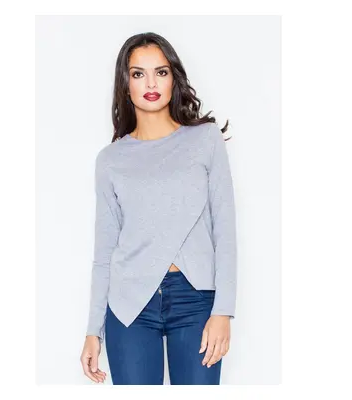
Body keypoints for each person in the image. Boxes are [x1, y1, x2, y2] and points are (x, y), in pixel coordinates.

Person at [80, 32, 237, 385]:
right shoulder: (110, 160)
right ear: (126, 84)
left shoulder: (206, 140)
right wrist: (93, 330)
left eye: (161, 72)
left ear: (173, 78)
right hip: (129, 306)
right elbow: (104, 252)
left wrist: (223, 310)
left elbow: (225, 230)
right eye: (139, 74)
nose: (151, 83)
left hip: (196, 300)